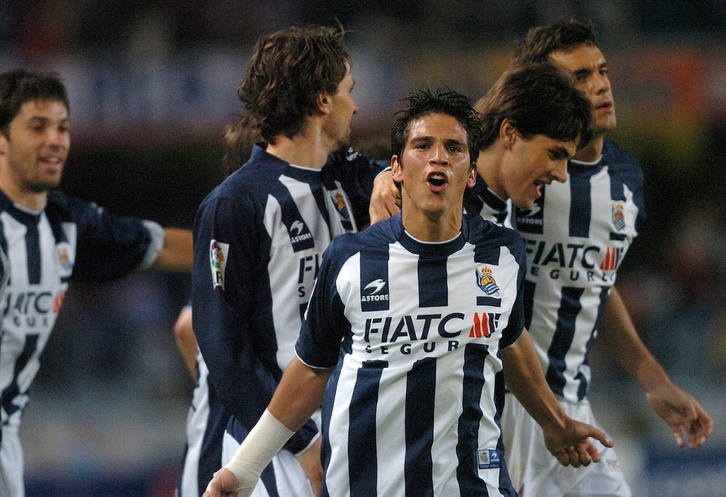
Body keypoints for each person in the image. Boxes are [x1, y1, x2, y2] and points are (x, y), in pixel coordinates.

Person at [203, 87, 615, 497]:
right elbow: (310, 369)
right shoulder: (349, 259)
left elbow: (509, 339)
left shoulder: (503, 253)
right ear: (396, 168)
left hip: (472, 485)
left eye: (454, 147)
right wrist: (244, 468)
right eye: (423, 145)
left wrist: (555, 423)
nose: (439, 156)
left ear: (471, 172)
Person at [496, 19, 713, 496]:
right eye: (577, 78)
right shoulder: (516, 169)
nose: (598, 85)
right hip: (503, 406)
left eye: (601, 70)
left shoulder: (625, 178)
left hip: (573, 405)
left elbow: (594, 281)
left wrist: (653, 379)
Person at [191, 24, 395, 497]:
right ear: (323, 101)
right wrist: (299, 441)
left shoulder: (351, 179)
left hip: (355, 429)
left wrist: (391, 171)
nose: (356, 106)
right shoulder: (235, 203)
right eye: (349, 91)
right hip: (280, 452)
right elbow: (221, 346)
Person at [0, 67, 194, 497]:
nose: (55, 140)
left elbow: (160, 246)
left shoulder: (65, 222)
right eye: (37, 127)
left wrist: (254, 254)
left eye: (62, 128)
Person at [466, 61, 593, 223]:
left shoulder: (495, 214)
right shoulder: (439, 216)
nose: (562, 176)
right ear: (509, 133)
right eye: (554, 154)